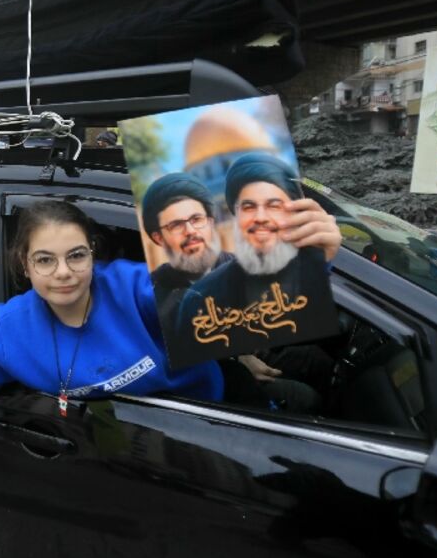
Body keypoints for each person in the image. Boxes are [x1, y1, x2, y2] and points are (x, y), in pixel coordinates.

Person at [0, 200, 223, 411]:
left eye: (76, 255)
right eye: (45, 260)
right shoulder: (7, 331)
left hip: (207, 436)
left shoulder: (137, 288)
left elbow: (222, 305)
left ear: (93, 251)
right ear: (25, 264)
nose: (64, 273)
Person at [145, 167, 340, 409]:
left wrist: (319, 259)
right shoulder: (156, 292)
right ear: (158, 238)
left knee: (316, 360)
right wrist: (237, 360)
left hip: (252, 348)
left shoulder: (229, 262)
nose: (191, 231)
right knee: (302, 398)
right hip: (215, 377)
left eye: (197, 219)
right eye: (176, 225)